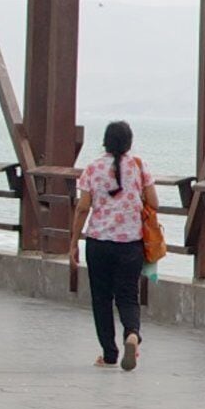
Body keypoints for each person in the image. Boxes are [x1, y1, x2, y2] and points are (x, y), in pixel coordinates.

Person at [78, 119, 150, 368]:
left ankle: (109, 354)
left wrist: (72, 241)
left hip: (99, 242)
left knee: (101, 298)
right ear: (129, 143)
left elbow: (83, 207)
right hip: (131, 242)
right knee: (128, 295)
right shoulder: (139, 167)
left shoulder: (92, 168)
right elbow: (155, 201)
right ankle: (132, 333)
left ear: (105, 142)